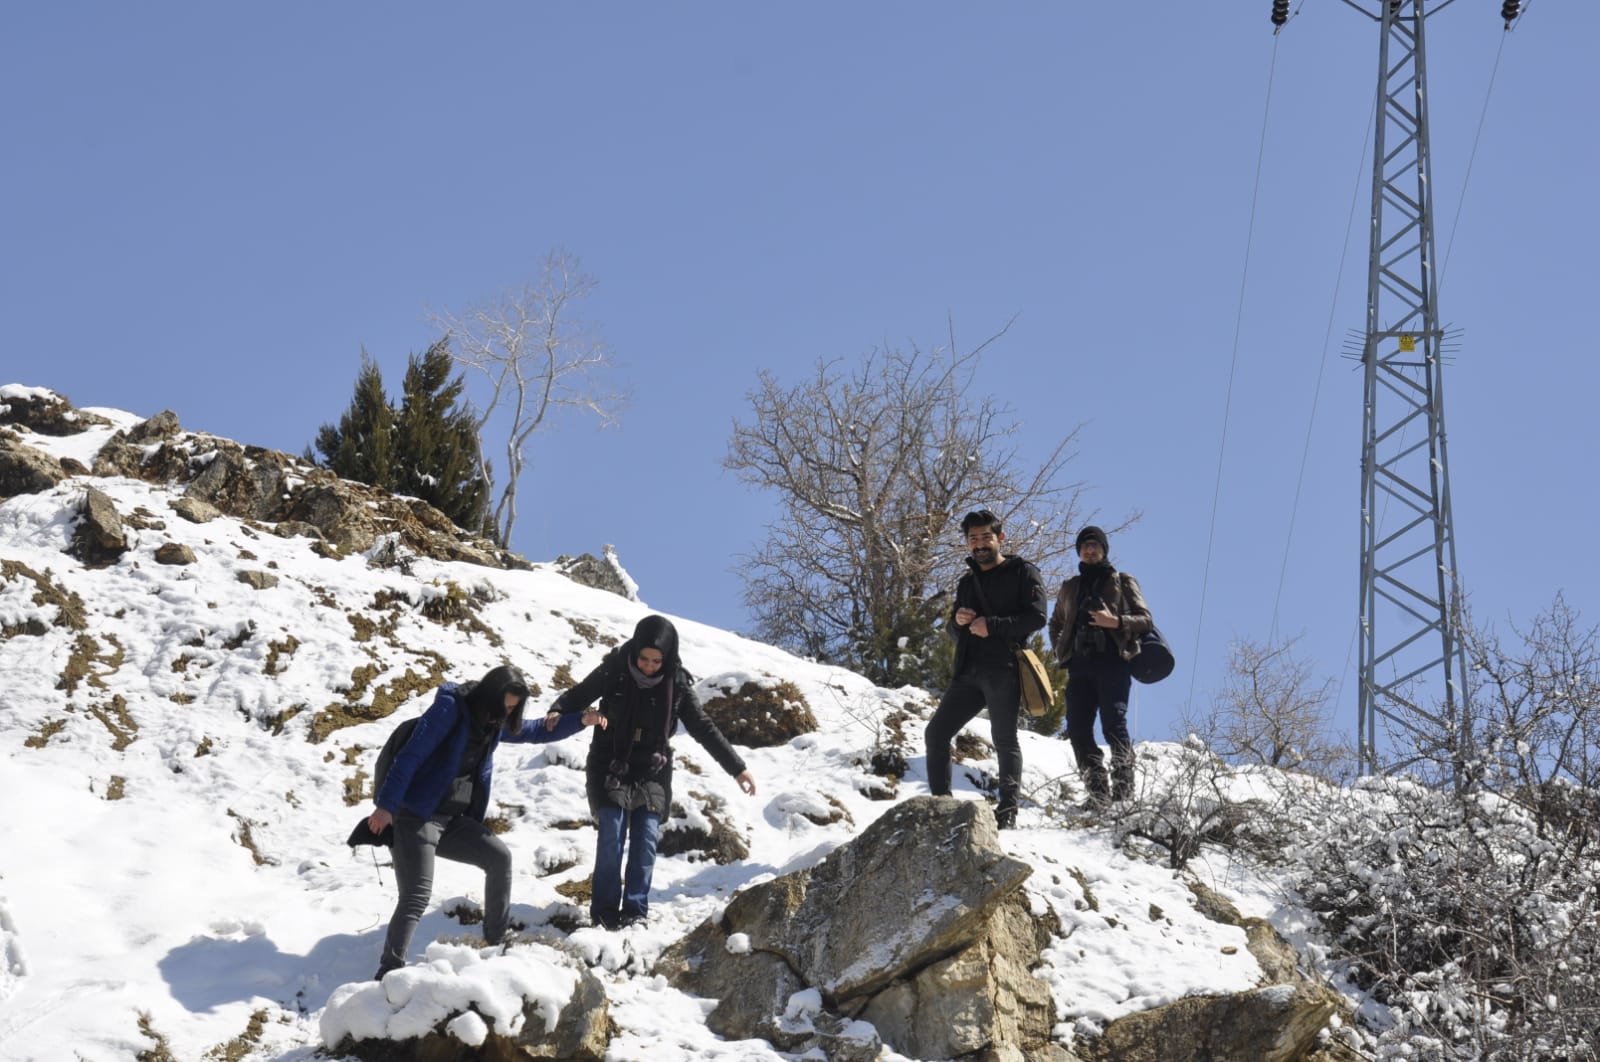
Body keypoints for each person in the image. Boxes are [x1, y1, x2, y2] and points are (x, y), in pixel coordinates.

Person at [366, 664, 599, 979]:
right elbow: (410, 756)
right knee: (416, 894)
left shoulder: (494, 721)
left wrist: (581, 720)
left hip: (452, 819)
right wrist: (386, 807)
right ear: (487, 696)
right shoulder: (449, 710)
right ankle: (389, 970)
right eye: (503, 706)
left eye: (512, 709)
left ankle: (496, 942)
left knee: (499, 857)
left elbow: (535, 730)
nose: (504, 714)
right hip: (414, 817)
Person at [546, 615, 757, 929]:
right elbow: (579, 694)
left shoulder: (677, 683)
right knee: (612, 831)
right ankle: (604, 913)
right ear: (635, 651)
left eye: (656, 661)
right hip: (610, 760)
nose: (648, 666)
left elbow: (703, 728)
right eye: (643, 659)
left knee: (645, 837)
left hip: (652, 767)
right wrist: (558, 709)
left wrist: (738, 769)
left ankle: (635, 913)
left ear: (667, 658)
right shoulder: (615, 669)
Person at [925, 509, 1048, 829]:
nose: (979, 544)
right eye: (973, 539)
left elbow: (1037, 617)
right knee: (936, 733)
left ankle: (1007, 812)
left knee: (1004, 738)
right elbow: (954, 633)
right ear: (967, 543)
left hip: (1003, 668)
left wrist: (992, 625)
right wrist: (957, 622)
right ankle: (941, 805)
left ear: (1000, 538)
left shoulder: (1023, 572)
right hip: (967, 672)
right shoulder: (967, 582)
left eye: (985, 537)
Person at [1047, 526, 1153, 807]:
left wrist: (1115, 622)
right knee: (1078, 729)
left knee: (1113, 724)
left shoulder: (1122, 581)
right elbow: (1055, 623)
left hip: (1113, 663)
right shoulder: (1070, 587)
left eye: (1095, 545)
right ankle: (1097, 792)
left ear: (1104, 550)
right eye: (1085, 546)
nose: (1090, 550)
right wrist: (1061, 650)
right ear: (1079, 551)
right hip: (1079, 667)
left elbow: (1145, 620)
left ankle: (1123, 792)